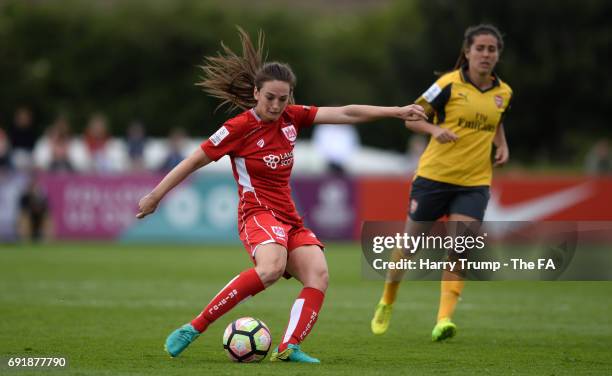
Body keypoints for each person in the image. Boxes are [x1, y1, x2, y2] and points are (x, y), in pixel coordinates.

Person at [136, 28, 426, 363]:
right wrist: (156, 196)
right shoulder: (238, 128)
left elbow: (345, 113)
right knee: (272, 267)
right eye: (270, 97)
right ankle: (195, 327)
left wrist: (396, 111)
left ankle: (289, 347)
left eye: (283, 98)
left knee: (319, 274)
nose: (276, 104)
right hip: (256, 213)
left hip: (288, 216)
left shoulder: (293, 117)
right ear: (256, 92)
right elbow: (193, 160)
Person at [371, 24, 512, 341]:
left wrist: (502, 144)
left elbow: (496, 120)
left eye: (492, 49)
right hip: (434, 178)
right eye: (480, 48)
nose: (486, 54)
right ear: (468, 52)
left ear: (498, 54)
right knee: (408, 247)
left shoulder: (504, 92)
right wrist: (435, 131)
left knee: (460, 249)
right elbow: (412, 117)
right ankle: (387, 300)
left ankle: (443, 320)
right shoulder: (447, 85)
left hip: (475, 182)